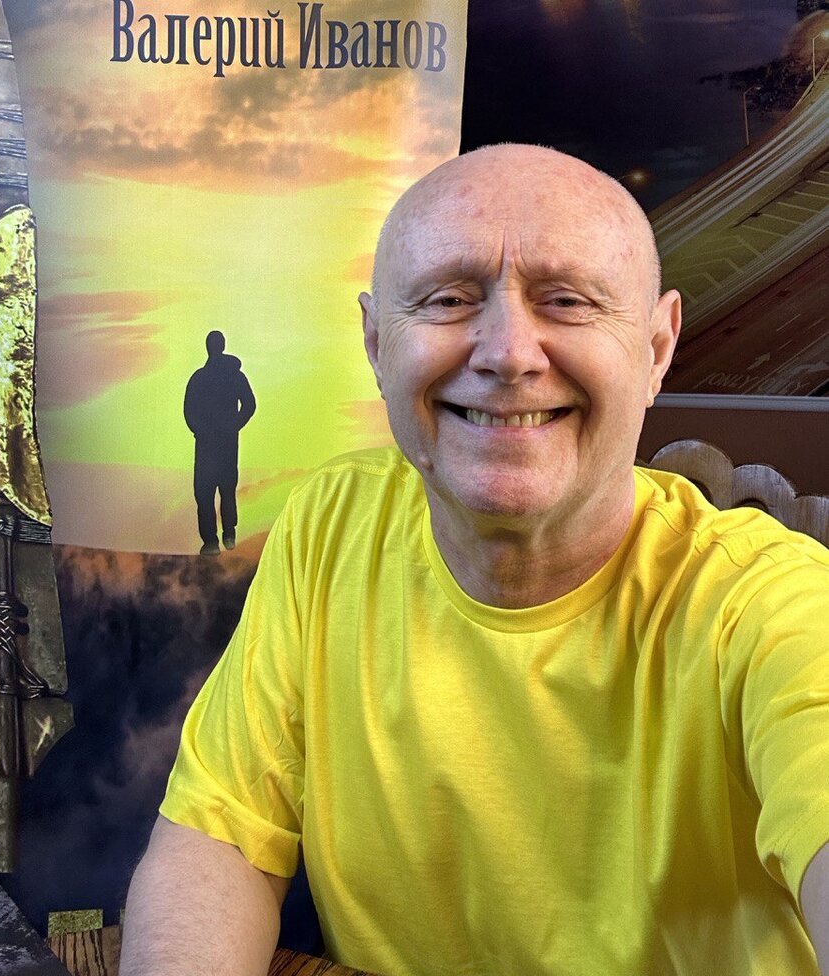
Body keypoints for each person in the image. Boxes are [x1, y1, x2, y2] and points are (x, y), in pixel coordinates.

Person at [122, 145, 829, 976]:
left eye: (567, 301)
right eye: (449, 299)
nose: (508, 354)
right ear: (377, 342)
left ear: (656, 347)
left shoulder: (771, 604)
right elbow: (221, 839)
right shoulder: (332, 524)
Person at [183, 330, 256, 554]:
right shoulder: (211, 377)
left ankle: (221, 538)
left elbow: (249, 405)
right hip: (215, 444)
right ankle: (219, 539)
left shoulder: (205, 377)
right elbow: (189, 411)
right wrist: (227, 427)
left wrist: (232, 426)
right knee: (214, 491)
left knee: (216, 491)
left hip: (217, 444)